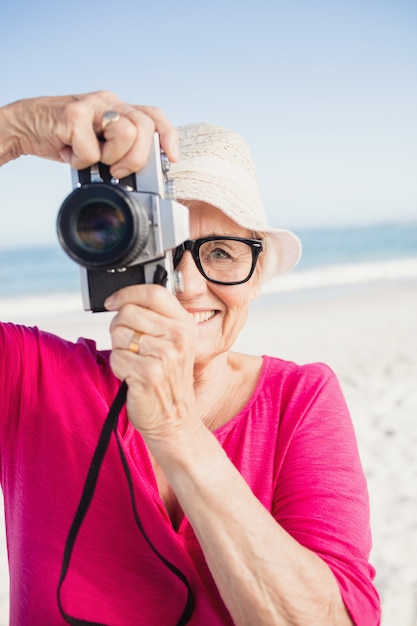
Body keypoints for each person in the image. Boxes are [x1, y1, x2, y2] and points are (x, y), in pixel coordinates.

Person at [0, 91, 380, 626]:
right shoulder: (33, 380)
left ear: (257, 277)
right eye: (164, 250)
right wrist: (13, 131)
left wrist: (177, 429)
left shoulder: (300, 399)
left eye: (222, 252)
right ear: (117, 260)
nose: (189, 286)